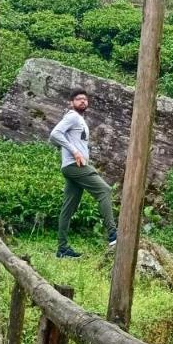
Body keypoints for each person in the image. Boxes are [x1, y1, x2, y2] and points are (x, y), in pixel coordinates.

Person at [49, 88, 117, 258]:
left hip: (71, 167)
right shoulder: (72, 116)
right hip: (75, 166)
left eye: (85, 100)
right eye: (79, 99)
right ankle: (113, 235)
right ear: (71, 102)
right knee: (105, 190)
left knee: (68, 208)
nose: (83, 102)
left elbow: (62, 138)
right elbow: (54, 134)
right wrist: (75, 151)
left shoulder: (79, 120)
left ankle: (62, 249)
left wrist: (71, 149)